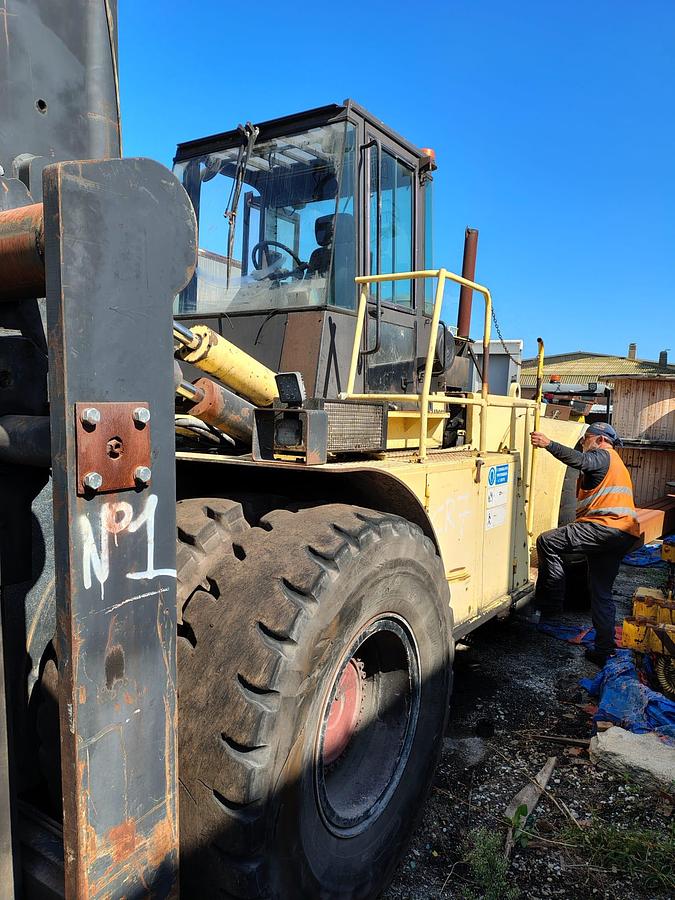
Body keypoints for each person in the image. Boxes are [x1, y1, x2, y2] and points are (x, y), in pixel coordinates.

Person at [530, 421, 639, 666]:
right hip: (622, 534)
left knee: (547, 542)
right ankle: (604, 650)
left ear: (600, 439)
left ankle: (551, 611)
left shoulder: (602, 455)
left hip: (603, 528)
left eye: (585, 439)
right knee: (601, 593)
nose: (583, 444)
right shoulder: (616, 464)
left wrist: (549, 444)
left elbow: (582, 461)